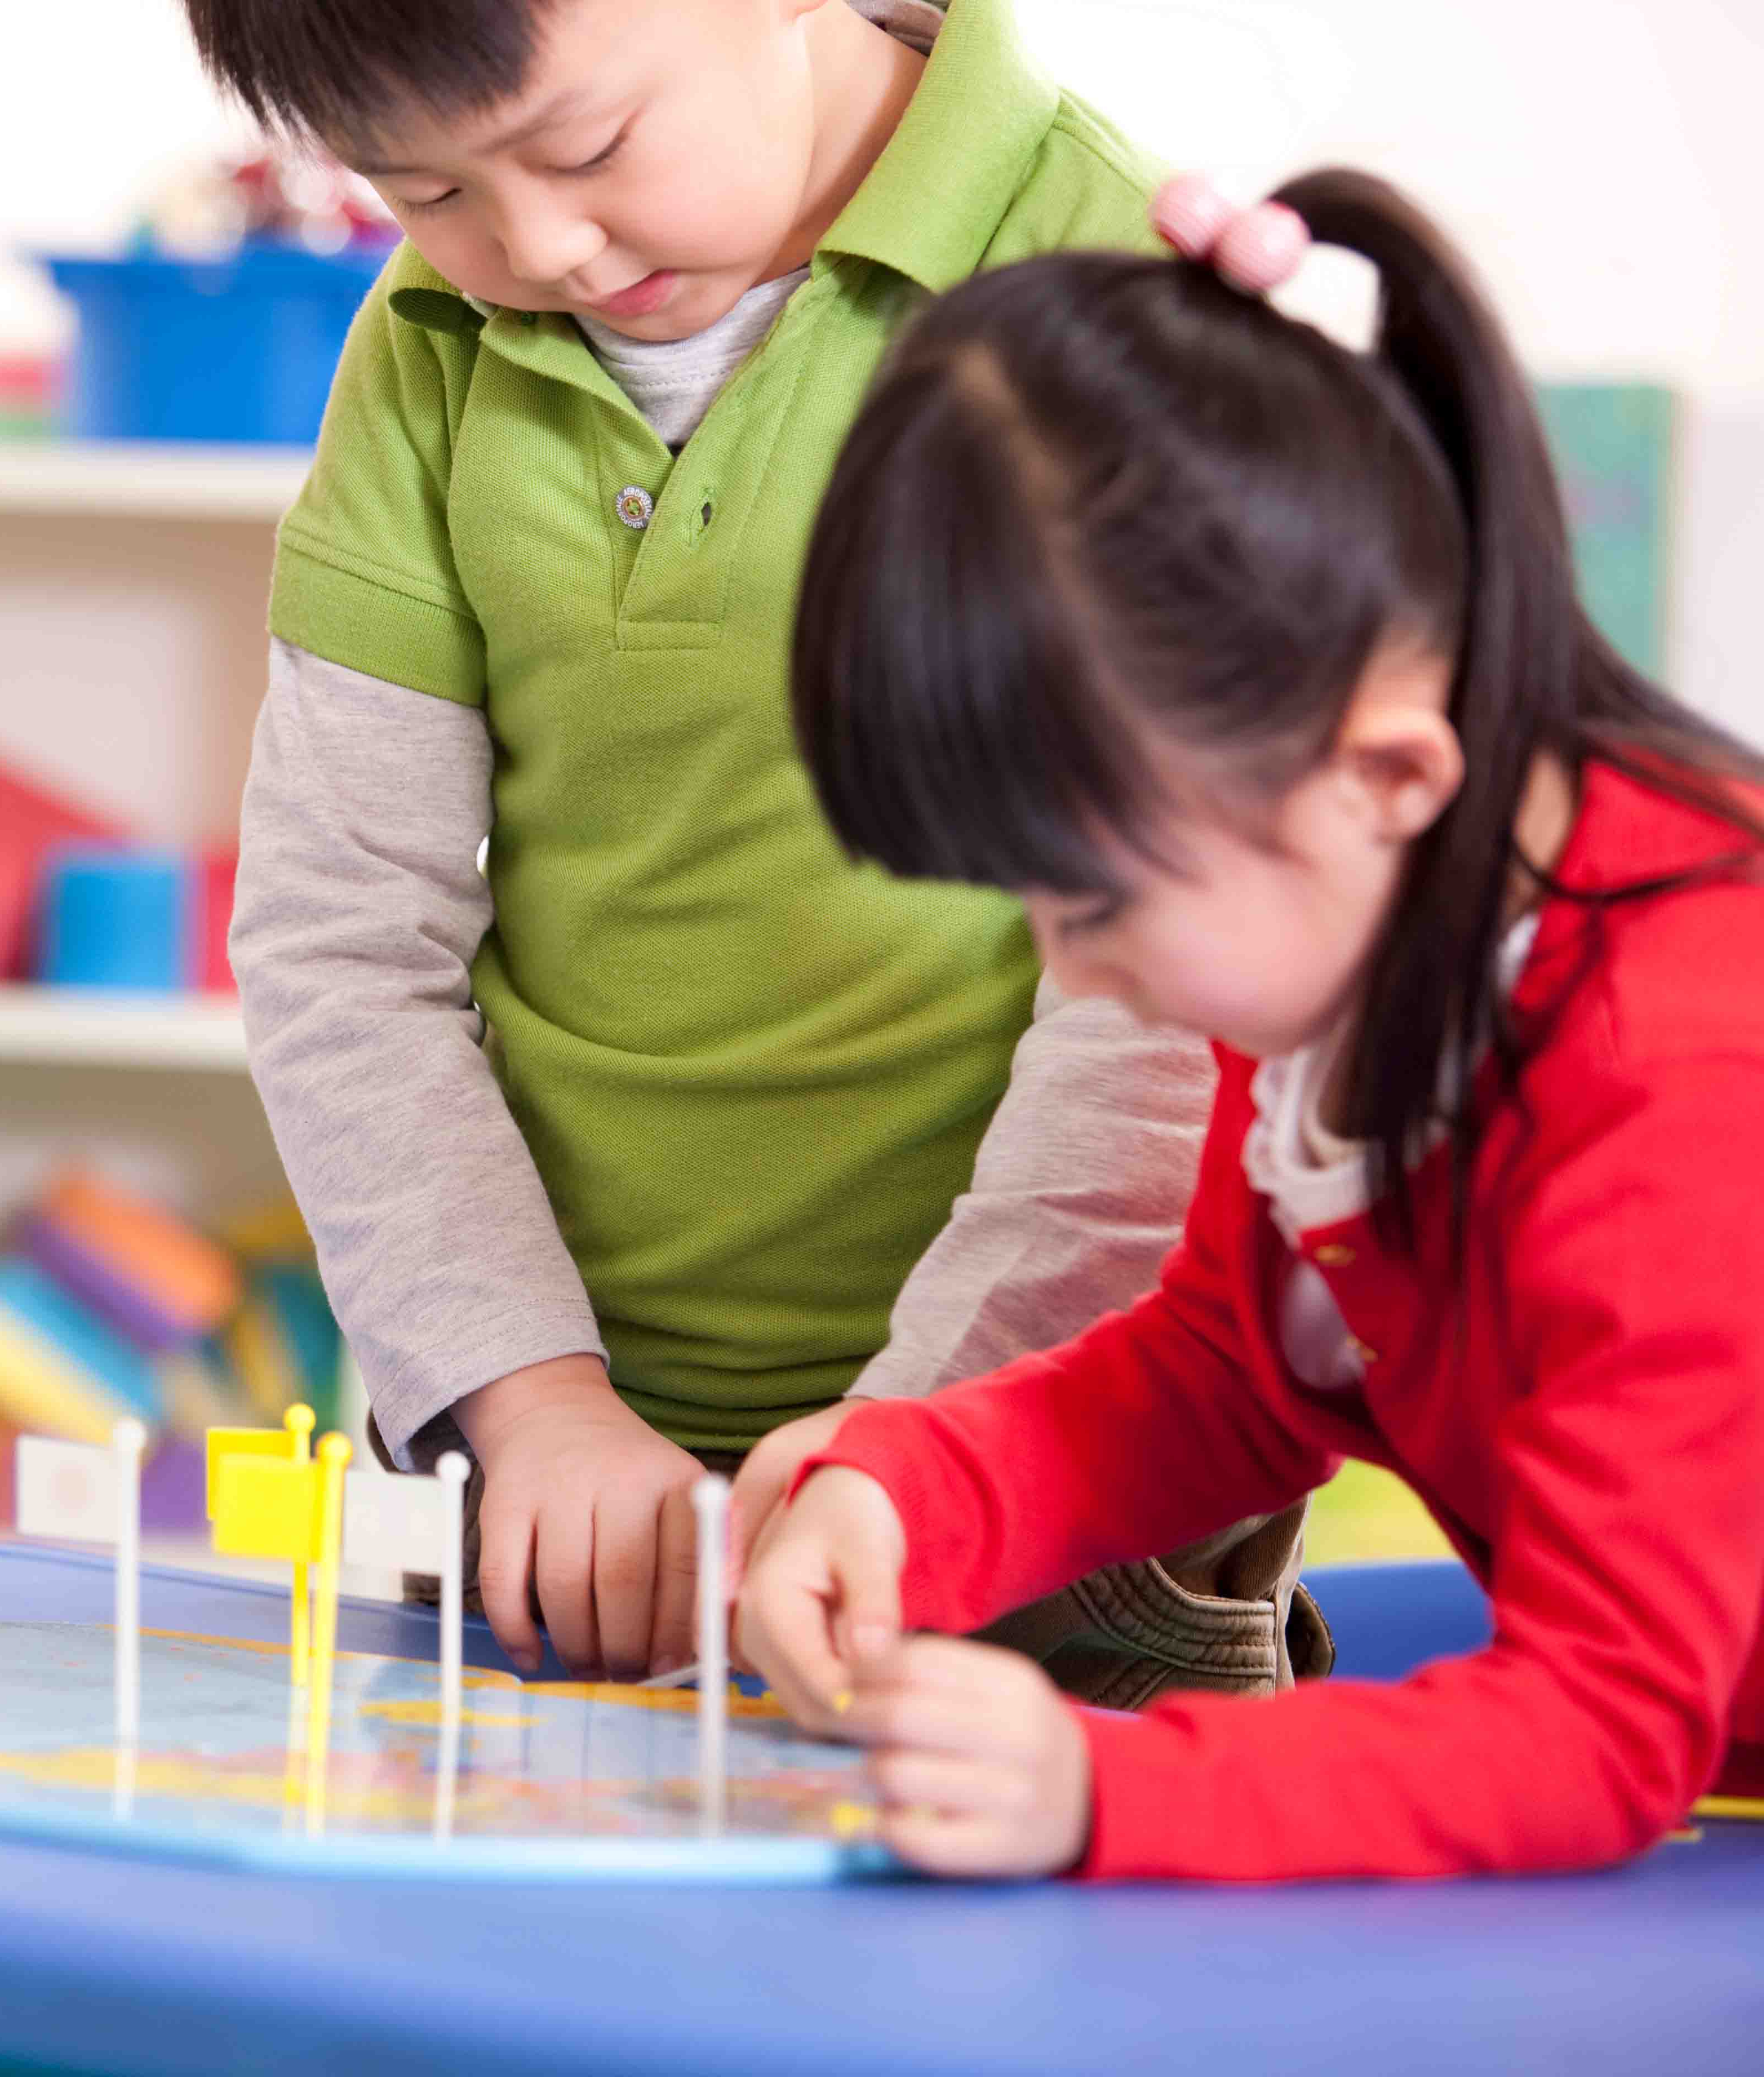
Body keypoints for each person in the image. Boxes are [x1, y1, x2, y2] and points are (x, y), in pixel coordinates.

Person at [190, 0, 1314, 1691]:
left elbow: (1176, 1007)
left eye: (587, 147)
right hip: (564, 1493)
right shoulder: (430, 347)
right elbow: (340, 937)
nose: (539, 246)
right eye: (422, 191)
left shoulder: (1122, 300)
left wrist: (912, 1454)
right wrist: (528, 1395)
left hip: (1044, 1476)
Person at [741, 170, 1764, 1881]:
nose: (1074, 975)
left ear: (1386, 774)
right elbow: (1236, 1367)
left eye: (1098, 906)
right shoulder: (1350, 930)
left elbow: (1604, 1726)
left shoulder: (1684, 1061)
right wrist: (902, 1487)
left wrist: (1105, 1795)